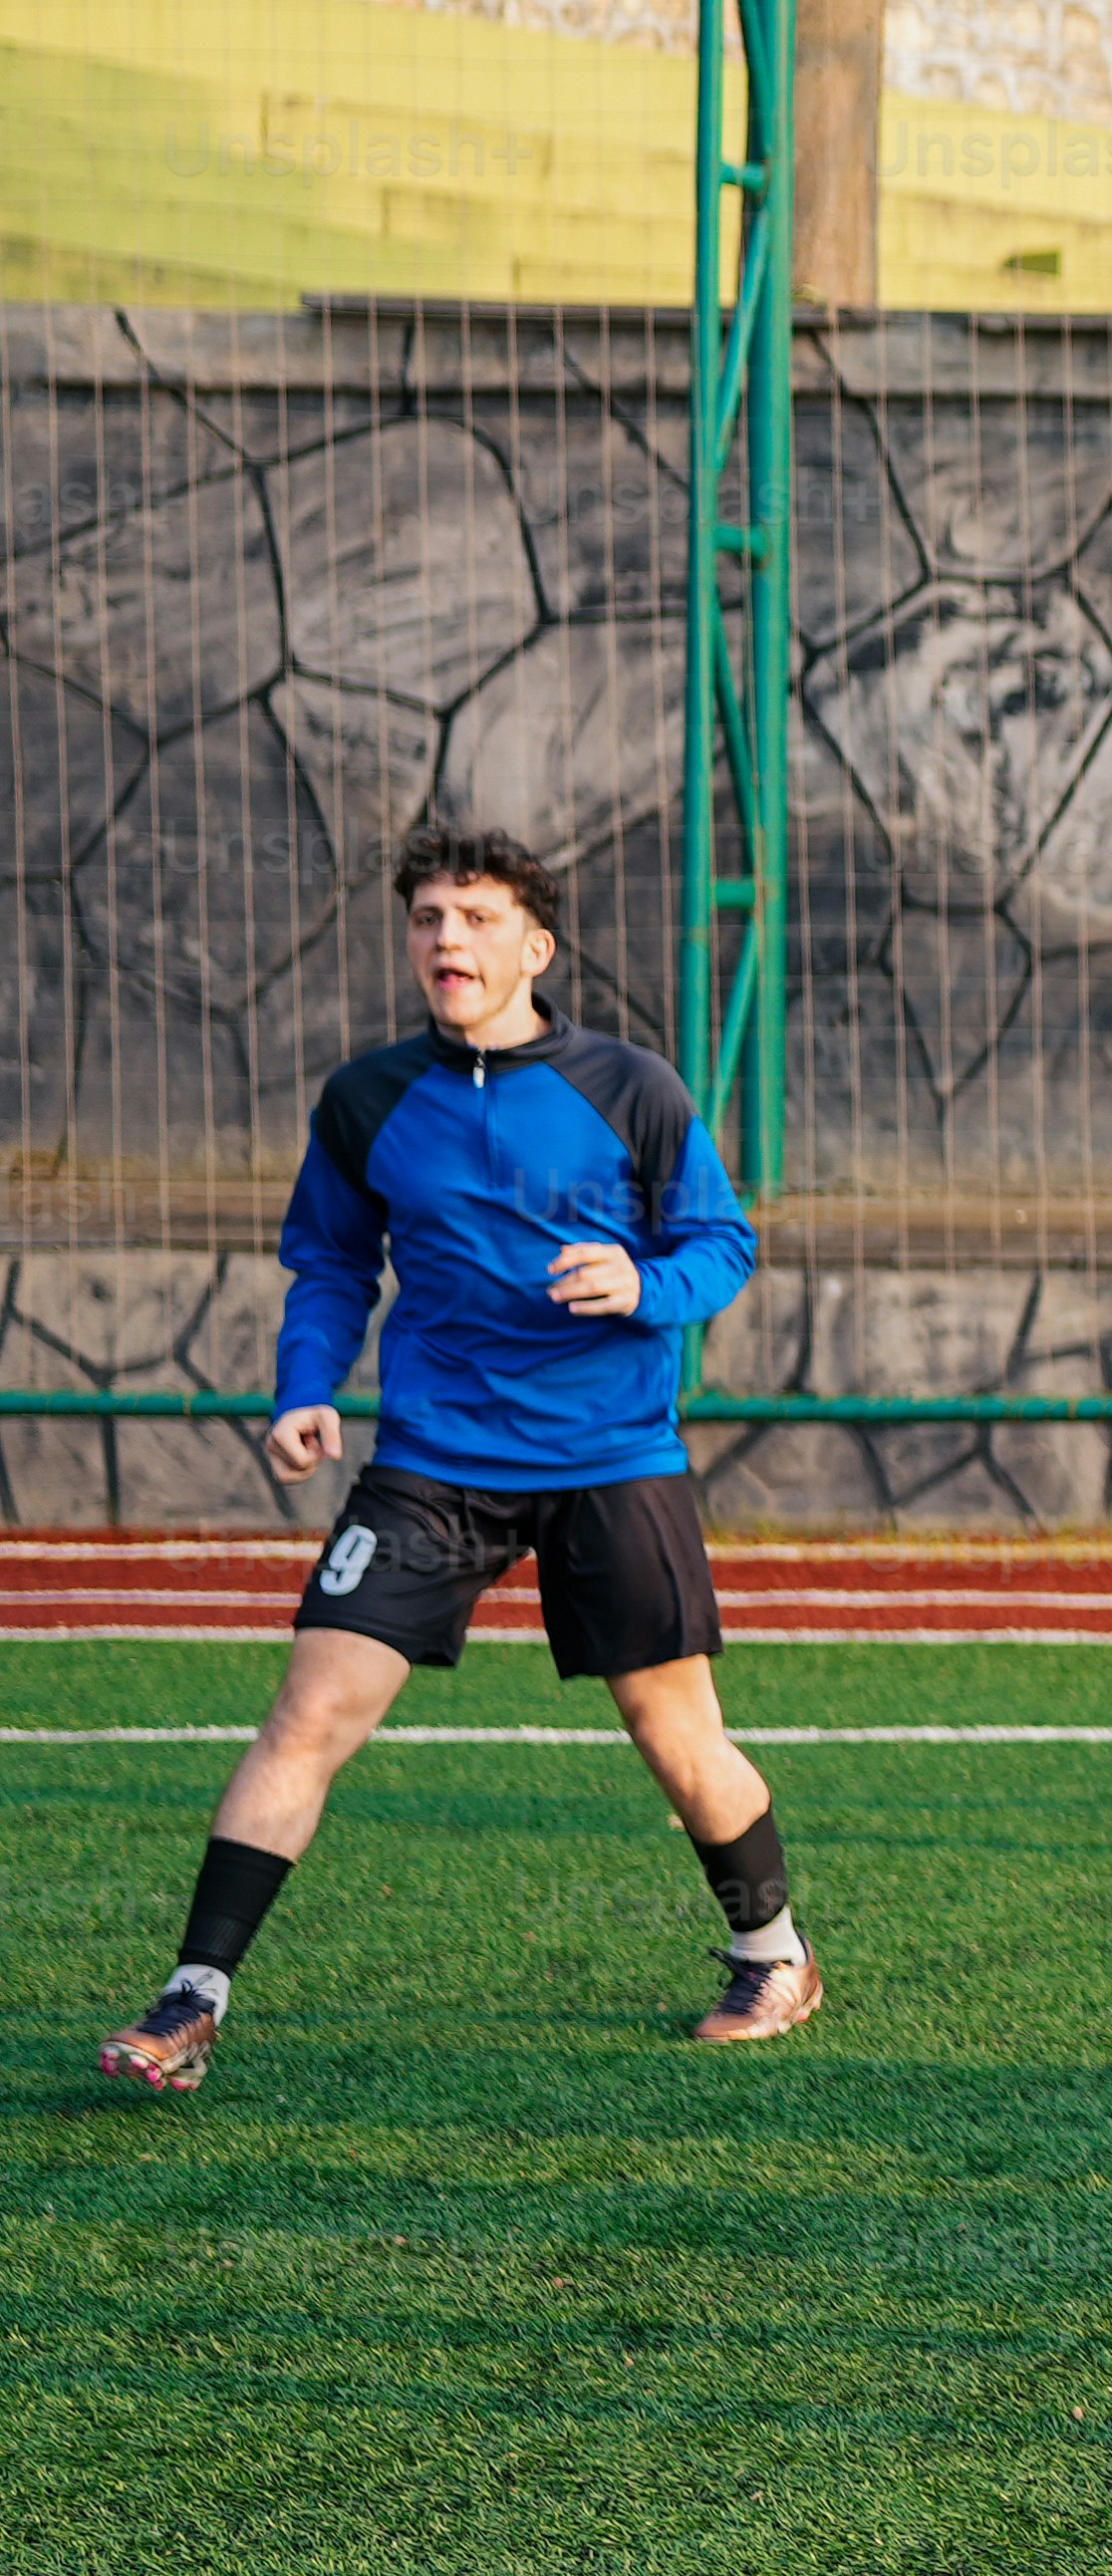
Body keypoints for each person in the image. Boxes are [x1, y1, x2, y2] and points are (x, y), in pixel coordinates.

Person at [105, 829, 803, 2097]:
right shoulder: (367, 1096)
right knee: (308, 1714)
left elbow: (722, 1245)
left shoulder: (631, 1085)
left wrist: (645, 1282)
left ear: (534, 947)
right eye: (428, 917)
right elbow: (327, 1259)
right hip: (429, 1463)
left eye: (476, 918)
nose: (446, 940)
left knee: (673, 1730)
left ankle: (773, 1952)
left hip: (610, 1458)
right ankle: (190, 1998)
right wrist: (305, 1385)